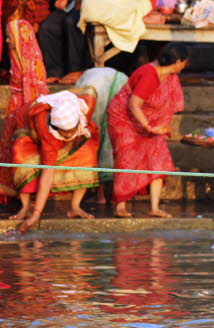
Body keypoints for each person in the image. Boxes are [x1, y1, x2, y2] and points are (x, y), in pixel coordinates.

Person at [107, 42, 187, 218]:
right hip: (124, 119)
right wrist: (149, 127)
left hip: (148, 121)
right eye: (184, 62)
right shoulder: (150, 74)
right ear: (179, 61)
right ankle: (120, 206)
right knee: (126, 158)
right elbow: (134, 104)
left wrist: (154, 127)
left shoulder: (168, 74)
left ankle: (155, 207)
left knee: (159, 157)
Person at [8, 88, 100, 233]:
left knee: (87, 152)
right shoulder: (48, 135)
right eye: (65, 133)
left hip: (64, 126)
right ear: (56, 128)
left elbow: (91, 91)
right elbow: (47, 174)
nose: (69, 135)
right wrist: (37, 214)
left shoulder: (84, 107)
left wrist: (67, 96)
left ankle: (75, 207)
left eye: (72, 131)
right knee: (21, 154)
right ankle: (25, 208)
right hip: (28, 132)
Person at [0, 19, 50, 201]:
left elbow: (32, 92)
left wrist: (24, 117)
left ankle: (28, 197)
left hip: (25, 110)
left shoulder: (30, 61)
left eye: (9, 37)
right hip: (15, 107)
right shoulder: (15, 56)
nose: (7, 41)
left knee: (23, 150)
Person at [75, 66, 128, 203]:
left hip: (99, 99)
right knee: (108, 146)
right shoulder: (115, 77)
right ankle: (110, 197)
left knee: (99, 144)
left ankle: (102, 195)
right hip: (115, 95)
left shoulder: (87, 79)